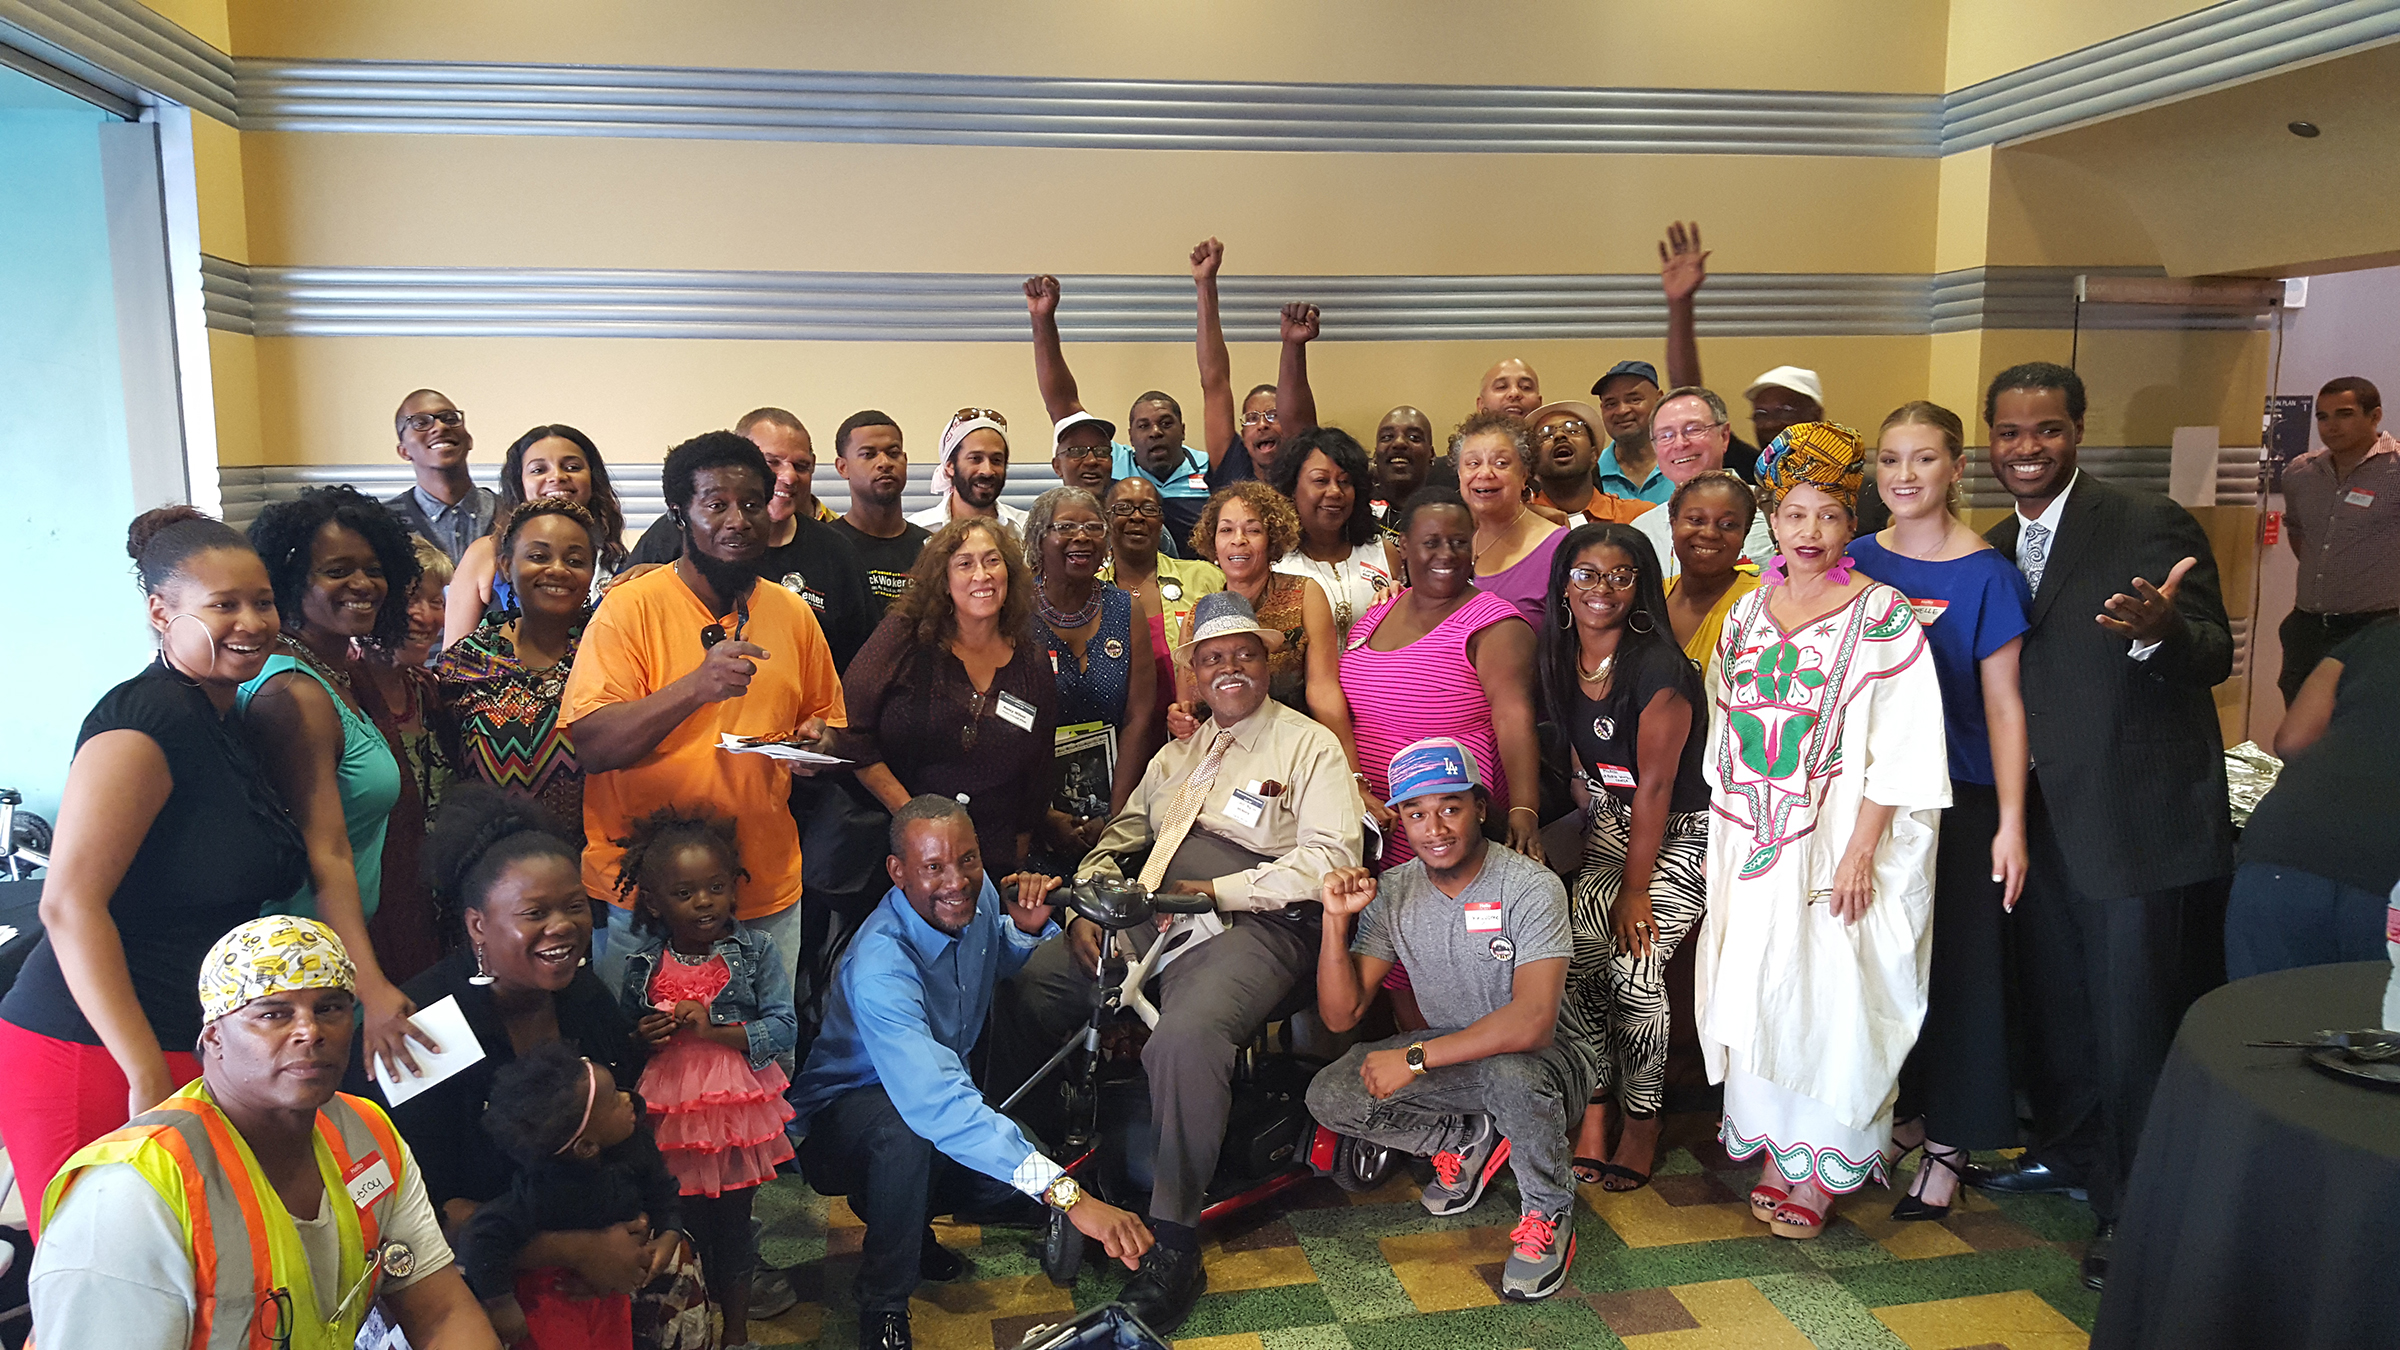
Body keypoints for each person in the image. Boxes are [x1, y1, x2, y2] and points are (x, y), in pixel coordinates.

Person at [1002, 591, 1362, 1334]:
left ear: (1268, 664)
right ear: (1193, 674)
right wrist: (1084, 908)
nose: (1230, 667)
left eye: (1245, 654)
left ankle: (1173, 1241)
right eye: (1213, 658)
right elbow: (1118, 836)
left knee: (1186, 1039)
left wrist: (1219, 887)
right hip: (1151, 914)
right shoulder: (1177, 755)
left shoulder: (1307, 745)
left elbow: (1331, 857)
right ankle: (1050, 1165)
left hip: (1256, 925)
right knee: (1039, 984)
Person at [1972, 363, 2234, 1291]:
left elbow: (2213, 653)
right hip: (2038, 823)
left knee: (2133, 1023)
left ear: (2077, 432)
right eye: (2009, 432)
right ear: (1989, 440)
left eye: (2045, 430)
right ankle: (2074, 1153)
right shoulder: (1996, 544)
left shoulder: (2146, 522)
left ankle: (2135, 1207)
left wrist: (2161, 627)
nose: (2026, 449)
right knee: (2063, 1006)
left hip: (2136, 824)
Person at [0, 509, 308, 1238]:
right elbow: (69, 904)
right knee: (109, 1286)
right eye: (223, 604)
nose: (251, 621)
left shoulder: (221, 714)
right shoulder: (144, 722)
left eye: (261, 601)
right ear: (160, 611)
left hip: (189, 1040)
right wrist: (143, 1070)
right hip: (95, 1048)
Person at [1696, 422, 1949, 1241]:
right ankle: (1777, 1148)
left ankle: (1826, 1160)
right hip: (1756, 840)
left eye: (1829, 516)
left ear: (1852, 524)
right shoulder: (1745, 615)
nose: (1809, 533)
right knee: (1761, 984)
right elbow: (1725, 730)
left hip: (1841, 842)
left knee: (1837, 992)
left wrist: (1861, 849)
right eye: (1794, 514)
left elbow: (1905, 747)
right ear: (1771, 518)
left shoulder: (1880, 616)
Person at [787, 796, 1152, 1350]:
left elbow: (986, 961)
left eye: (968, 859)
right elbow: (937, 1107)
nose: (956, 880)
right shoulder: (880, 969)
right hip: (847, 1125)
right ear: (898, 872)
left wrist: (1024, 930)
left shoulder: (975, 897)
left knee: (1014, 1168)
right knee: (909, 1135)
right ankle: (883, 1304)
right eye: (933, 867)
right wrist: (1073, 1199)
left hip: (935, 1099)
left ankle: (906, 1226)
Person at [32, 916, 496, 1350]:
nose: (310, 1032)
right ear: (213, 1037)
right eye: (274, 1014)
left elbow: (442, 1313)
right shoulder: (132, 1193)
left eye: (330, 1008)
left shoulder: (367, 1133)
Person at [1304, 739, 1595, 1303]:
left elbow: (1533, 1023)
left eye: (1450, 808)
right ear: (1400, 821)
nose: (1433, 827)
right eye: (1415, 813)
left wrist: (1414, 1058)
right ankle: (1466, 1138)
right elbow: (1341, 1014)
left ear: (1479, 807)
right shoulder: (1393, 892)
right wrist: (1334, 925)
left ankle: (1548, 1214)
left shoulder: (1530, 885)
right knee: (1331, 1093)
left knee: (1511, 1074)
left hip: (1552, 1058)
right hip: (1458, 1053)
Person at [563, 431, 849, 991]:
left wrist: (817, 744)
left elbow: (830, 722)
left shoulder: (793, 613)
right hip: (646, 898)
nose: (738, 520)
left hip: (763, 890)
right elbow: (593, 745)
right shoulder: (629, 607)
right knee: (645, 1067)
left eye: (751, 503)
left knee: (761, 1063)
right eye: (715, 505)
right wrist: (697, 686)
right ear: (680, 514)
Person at [370, 788, 668, 1309]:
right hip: (468, 1274)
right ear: (477, 926)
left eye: (575, 907)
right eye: (534, 913)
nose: (563, 927)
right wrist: (578, 1250)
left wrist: (655, 1227)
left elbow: (622, 1134)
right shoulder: (427, 1028)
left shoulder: (584, 997)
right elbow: (418, 1211)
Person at [1847, 401, 2034, 1220]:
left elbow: (2004, 707)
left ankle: (1952, 1143)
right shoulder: (1852, 558)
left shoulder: (1987, 571)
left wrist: (2013, 823)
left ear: (1957, 467)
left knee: (1960, 974)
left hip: (1960, 801)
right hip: (1868, 803)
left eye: (1924, 460)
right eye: (1891, 460)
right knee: (1888, 965)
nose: (1905, 476)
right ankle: (1906, 1112)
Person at [1536, 524, 1709, 1192]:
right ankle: (1596, 1107)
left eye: (1619, 575)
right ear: (1563, 586)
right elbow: (1588, 764)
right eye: (1585, 574)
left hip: (1678, 832)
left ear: (1640, 586)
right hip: (1612, 820)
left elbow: (1659, 790)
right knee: (1574, 960)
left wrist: (1635, 891)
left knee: (1636, 969)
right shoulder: (1561, 653)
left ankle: (1644, 1120)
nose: (1600, 590)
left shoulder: (1660, 668)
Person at [240, 487, 431, 1078]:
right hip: (302, 969)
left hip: (335, 951)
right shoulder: (291, 692)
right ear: (291, 576)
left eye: (375, 569)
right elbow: (325, 850)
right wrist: (367, 985)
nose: (363, 584)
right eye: (337, 570)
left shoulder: (334, 666)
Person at [612, 808, 799, 1346]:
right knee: (681, 1225)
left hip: (736, 1115)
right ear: (654, 900)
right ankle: (691, 1332)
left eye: (717, 887)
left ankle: (736, 1337)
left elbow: (784, 1028)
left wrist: (715, 1029)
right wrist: (642, 1034)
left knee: (735, 1231)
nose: (704, 902)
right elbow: (628, 1043)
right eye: (686, 892)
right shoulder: (643, 965)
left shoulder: (755, 951)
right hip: (670, 1118)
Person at [840, 518, 1059, 879]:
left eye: (992, 561)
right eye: (965, 564)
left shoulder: (1031, 660)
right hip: (903, 852)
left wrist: (1019, 849)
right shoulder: (904, 637)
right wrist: (914, 817)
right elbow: (850, 730)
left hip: (993, 857)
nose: (982, 575)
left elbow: (1039, 767)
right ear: (943, 579)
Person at [1340, 488, 1543, 865]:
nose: (1446, 554)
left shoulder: (1494, 623)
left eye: (1459, 542)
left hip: (1446, 833)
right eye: (1431, 543)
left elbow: (1514, 717)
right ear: (1403, 546)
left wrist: (1524, 809)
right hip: (1373, 824)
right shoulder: (1378, 612)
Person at [456, 1044, 684, 1350]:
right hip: (551, 1297)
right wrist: (501, 1305)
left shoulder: (636, 1146)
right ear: (586, 1147)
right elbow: (483, 1235)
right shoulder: (543, 1191)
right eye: (615, 1100)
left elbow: (662, 1190)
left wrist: (669, 1232)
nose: (628, 1099)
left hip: (611, 1293)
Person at [626, 420, 878, 672]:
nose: (788, 477)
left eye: (801, 466)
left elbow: (858, 667)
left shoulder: (833, 553)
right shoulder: (669, 538)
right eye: (772, 462)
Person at [2226, 618, 2400, 974]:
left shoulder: (2378, 633)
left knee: (2266, 1020)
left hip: (2284, 851)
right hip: (2386, 876)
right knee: (2377, 1024)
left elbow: (2293, 739)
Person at [437, 499, 600, 848]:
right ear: (506, 566)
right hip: (486, 870)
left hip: (590, 876)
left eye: (575, 560)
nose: (558, 570)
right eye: (539, 556)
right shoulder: (466, 662)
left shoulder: (612, 654)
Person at [1028, 263, 1210, 545]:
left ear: (1183, 430)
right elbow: (1062, 402)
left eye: (1165, 423)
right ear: (1129, 436)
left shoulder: (1209, 468)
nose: (1155, 433)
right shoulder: (1106, 460)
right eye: (1143, 425)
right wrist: (1042, 319)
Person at [1174, 484, 1357, 762]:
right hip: (1221, 757)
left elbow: (1324, 692)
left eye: (1253, 530)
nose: (1239, 540)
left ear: (1272, 542)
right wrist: (1179, 719)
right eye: (1226, 530)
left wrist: (1351, 773)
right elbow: (1188, 705)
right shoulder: (1196, 616)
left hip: (1295, 752)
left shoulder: (1305, 594)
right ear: (1212, 544)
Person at [1026, 487, 1161, 855]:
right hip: (1029, 808)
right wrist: (1042, 814)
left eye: (1093, 527)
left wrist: (1115, 818)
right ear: (1039, 540)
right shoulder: (1014, 610)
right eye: (1066, 526)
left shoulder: (1125, 608)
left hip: (1115, 805)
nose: (1082, 536)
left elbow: (1139, 717)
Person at [356, 535, 455, 983]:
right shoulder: (342, 694)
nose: (427, 617)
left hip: (431, 908)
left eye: (436, 601)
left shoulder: (428, 690)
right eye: (411, 600)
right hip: (371, 910)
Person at [443, 423, 631, 647]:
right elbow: (452, 656)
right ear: (519, 483)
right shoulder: (487, 552)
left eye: (572, 467)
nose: (557, 477)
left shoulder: (617, 559)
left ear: (592, 479)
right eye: (539, 470)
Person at [2276, 376, 2399, 704]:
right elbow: (2298, 531)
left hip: (2375, 629)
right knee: (2299, 738)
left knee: (2361, 735)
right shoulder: (2300, 473)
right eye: (2322, 416)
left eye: (2344, 414)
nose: (2331, 426)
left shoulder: (2396, 470)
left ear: (2374, 416)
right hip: (2308, 627)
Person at [1100, 475, 1224, 727]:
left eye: (1148, 508)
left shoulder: (1205, 578)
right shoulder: (1092, 592)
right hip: (1118, 734)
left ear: (1161, 520)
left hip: (1195, 729)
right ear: (1106, 520)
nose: (1137, 516)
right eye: (1123, 508)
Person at [1633, 387, 1778, 578]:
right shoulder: (1642, 531)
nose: (1680, 443)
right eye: (1666, 435)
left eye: (1693, 429)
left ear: (1724, 436)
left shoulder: (1774, 511)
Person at [1268, 426, 1398, 637]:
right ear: (1292, 488)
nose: (1335, 492)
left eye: (1345, 482)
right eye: (1321, 480)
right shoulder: (1274, 562)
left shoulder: (1384, 553)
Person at [1454, 411, 1568, 627]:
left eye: (1501, 463)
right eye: (1473, 463)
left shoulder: (1559, 548)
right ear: (1459, 474)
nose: (1485, 473)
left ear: (1524, 474)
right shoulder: (1454, 540)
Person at [1192, 240, 1287, 497]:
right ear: (1244, 436)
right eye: (1252, 418)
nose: (1262, 425)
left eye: (1273, 415)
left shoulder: (1306, 472)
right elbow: (1214, 382)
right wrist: (1205, 283)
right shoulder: (1232, 462)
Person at [827, 409, 933, 615]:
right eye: (869, 454)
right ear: (842, 467)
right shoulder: (825, 546)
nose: (884, 463)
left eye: (893, 453)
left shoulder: (932, 550)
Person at [1661, 472, 1764, 666]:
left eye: (1727, 524)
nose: (1709, 533)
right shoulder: (1651, 596)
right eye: (1696, 520)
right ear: (1673, 524)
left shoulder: (1761, 601)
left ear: (1745, 533)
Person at [387, 389, 500, 565]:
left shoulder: (510, 512)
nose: (440, 427)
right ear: (404, 451)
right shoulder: (384, 522)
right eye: (421, 422)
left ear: (469, 440)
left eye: (450, 419)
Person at [1527, 400, 1655, 526]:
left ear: (1594, 454)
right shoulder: (1519, 524)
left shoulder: (1640, 516)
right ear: (1532, 460)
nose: (1559, 435)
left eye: (1573, 429)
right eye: (1546, 434)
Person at [905, 408, 1030, 536]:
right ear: (950, 466)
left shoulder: (1027, 529)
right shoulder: (918, 531)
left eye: (996, 460)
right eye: (975, 459)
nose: (987, 471)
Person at [1589, 361, 1669, 504]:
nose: (1622, 411)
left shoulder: (1683, 465)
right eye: (1611, 403)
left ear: (1659, 400)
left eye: (1634, 399)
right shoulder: (1589, 476)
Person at [1370, 406, 1438, 531]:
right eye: (1387, 437)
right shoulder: (1355, 512)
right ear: (1375, 456)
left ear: (1431, 455)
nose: (1399, 443)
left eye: (1413, 437)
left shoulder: (1446, 515)